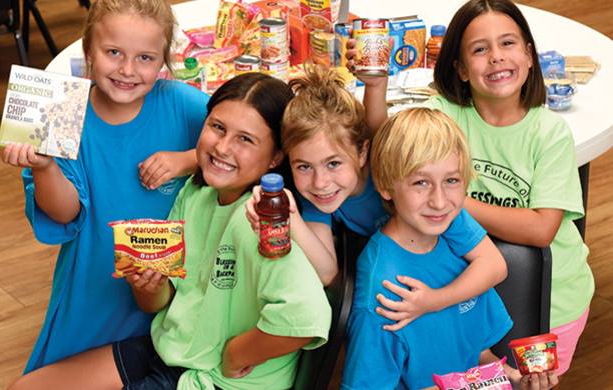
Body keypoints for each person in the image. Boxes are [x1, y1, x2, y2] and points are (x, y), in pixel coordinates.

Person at [8, 72, 331, 390]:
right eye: (217, 127)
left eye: (245, 139)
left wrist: (236, 354)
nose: (222, 147)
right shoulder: (194, 193)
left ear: (276, 158)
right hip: (172, 349)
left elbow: (305, 318)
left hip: (214, 377)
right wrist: (149, 287)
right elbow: (160, 304)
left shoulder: (261, 220)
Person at [351, 0, 594, 377]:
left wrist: (455, 200)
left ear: (530, 57)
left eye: (508, 44)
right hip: (467, 294)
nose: (496, 58)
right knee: (480, 375)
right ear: (461, 69)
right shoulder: (447, 113)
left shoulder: (549, 132)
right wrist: (376, 88)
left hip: (551, 300)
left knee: (529, 383)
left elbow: (541, 228)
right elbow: (392, 145)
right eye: (480, 49)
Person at [1, 0, 210, 372]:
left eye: (145, 58)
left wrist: (188, 159)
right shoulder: (63, 109)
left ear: (163, 60)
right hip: (92, 286)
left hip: (172, 298)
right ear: (88, 51)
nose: (128, 70)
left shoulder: (183, 104)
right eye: (114, 52)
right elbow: (64, 213)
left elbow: (246, 145)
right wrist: (45, 166)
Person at [247, 65, 507, 330]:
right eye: (304, 166)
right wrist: (291, 218)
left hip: (457, 306)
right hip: (399, 294)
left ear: (363, 154)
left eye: (333, 163)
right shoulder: (319, 197)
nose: (320, 182)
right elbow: (327, 272)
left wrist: (435, 300)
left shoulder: (427, 197)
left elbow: (495, 265)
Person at [341, 107, 558, 390]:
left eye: (452, 181)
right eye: (421, 182)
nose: (440, 202)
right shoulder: (385, 297)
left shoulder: (453, 234)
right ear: (385, 186)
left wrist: (517, 380)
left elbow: (478, 355)